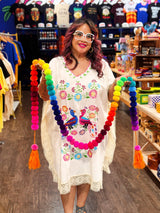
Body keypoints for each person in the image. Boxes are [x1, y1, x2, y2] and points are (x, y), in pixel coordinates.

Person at [38, 17, 117, 213]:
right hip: (64, 134)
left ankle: (81, 209)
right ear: (71, 36)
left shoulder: (102, 67)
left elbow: (109, 96)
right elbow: (44, 95)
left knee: (87, 170)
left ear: (93, 41)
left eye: (89, 35)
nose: (83, 39)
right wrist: (44, 78)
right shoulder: (56, 65)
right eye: (79, 34)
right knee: (66, 172)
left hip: (93, 132)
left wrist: (118, 84)